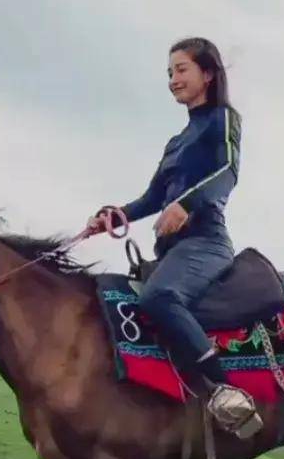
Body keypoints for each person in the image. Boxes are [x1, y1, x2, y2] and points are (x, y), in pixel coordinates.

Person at [87, 37, 260, 437]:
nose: (172, 79)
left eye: (181, 69)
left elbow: (228, 173)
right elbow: (153, 197)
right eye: (169, 72)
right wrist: (115, 215)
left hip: (206, 241)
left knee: (159, 297)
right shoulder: (175, 143)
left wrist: (187, 204)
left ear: (208, 73)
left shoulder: (223, 119)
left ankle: (226, 392)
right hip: (170, 249)